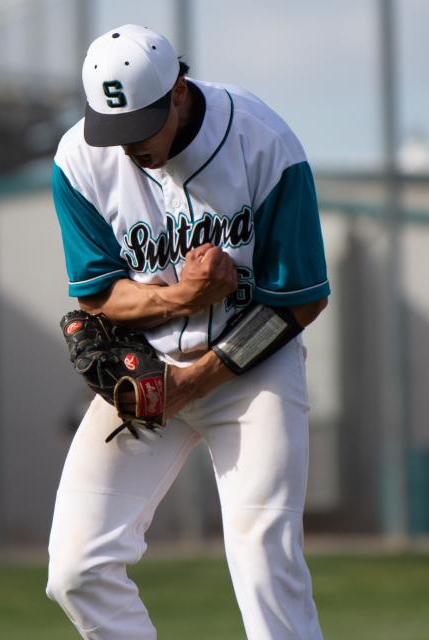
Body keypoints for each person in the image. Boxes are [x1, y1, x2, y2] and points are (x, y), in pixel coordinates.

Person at [45, 25, 329, 639]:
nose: (126, 148)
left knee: (265, 564)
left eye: (139, 127)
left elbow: (299, 301)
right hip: (145, 371)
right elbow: (97, 293)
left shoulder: (265, 142)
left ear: (177, 90)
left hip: (253, 367)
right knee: (75, 570)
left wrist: (197, 380)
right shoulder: (78, 160)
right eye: (112, 130)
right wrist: (183, 296)